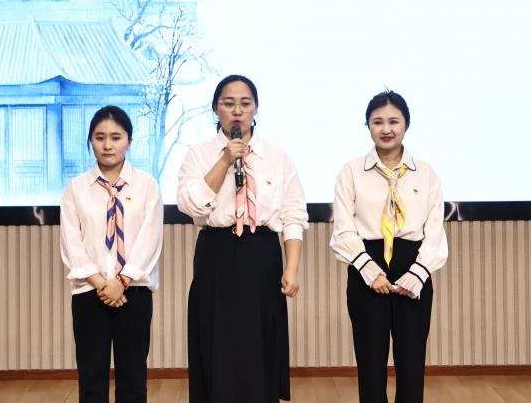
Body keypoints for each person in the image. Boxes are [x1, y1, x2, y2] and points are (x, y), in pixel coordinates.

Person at [177, 74, 309, 403]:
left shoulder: (277, 157)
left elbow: (293, 215)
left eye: (245, 103)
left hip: (261, 254)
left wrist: (291, 268)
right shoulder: (198, 154)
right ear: (215, 109)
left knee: (260, 344)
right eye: (228, 103)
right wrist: (225, 160)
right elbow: (190, 205)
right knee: (216, 342)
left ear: (255, 108)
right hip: (216, 254)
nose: (237, 110)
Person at [330, 91, 448, 403]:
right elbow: (343, 230)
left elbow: (435, 231)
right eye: (377, 122)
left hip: (413, 267)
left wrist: (417, 274)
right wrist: (371, 273)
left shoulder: (426, 173)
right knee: (370, 365)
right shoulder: (351, 171)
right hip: (366, 268)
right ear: (367, 125)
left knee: (412, 364)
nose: (386, 129)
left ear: (406, 124)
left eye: (393, 121)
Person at [60, 105, 164, 403]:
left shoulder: (147, 185)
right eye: (99, 137)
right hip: (89, 292)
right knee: (91, 381)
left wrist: (122, 280)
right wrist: (101, 283)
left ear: (128, 140)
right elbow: (71, 242)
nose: (107, 145)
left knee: (133, 380)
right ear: (90, 141)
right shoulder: (76, 188)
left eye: (116, 137)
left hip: (134, 292)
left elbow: (150, 239)